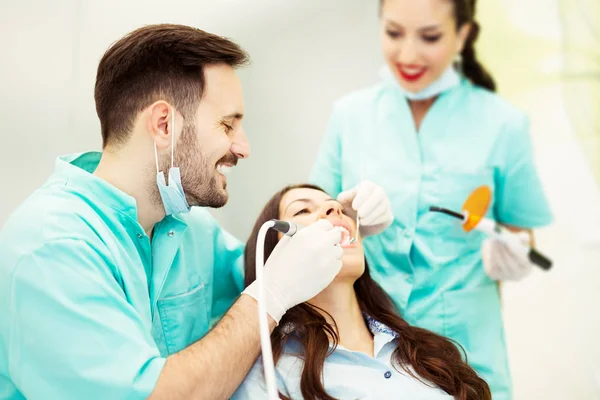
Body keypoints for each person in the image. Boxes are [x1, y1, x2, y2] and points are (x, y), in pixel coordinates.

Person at [0, 24, 393, 400]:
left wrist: (339, 224)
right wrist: (268, 296)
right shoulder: (50, 250)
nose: (243, 148)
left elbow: (270, 266)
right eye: (227, 125)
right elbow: (154, 395)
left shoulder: (188, 229)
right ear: (164, 124)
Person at [310, 0, 553, 399]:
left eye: (430, 37)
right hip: (366, 353)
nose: (407, 54)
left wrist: (515, 253)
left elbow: (519, 230)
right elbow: (311, 217)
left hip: (468, 354)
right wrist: (347, 218)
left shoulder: (504, 124)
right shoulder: (348, 116)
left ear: (464, 34)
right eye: (393, 33)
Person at [233, 184, 491, 400]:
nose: (334, 209)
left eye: (337, 207)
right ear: (273, 256)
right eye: (302, 209)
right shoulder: (270, 374)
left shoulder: (424, 353)